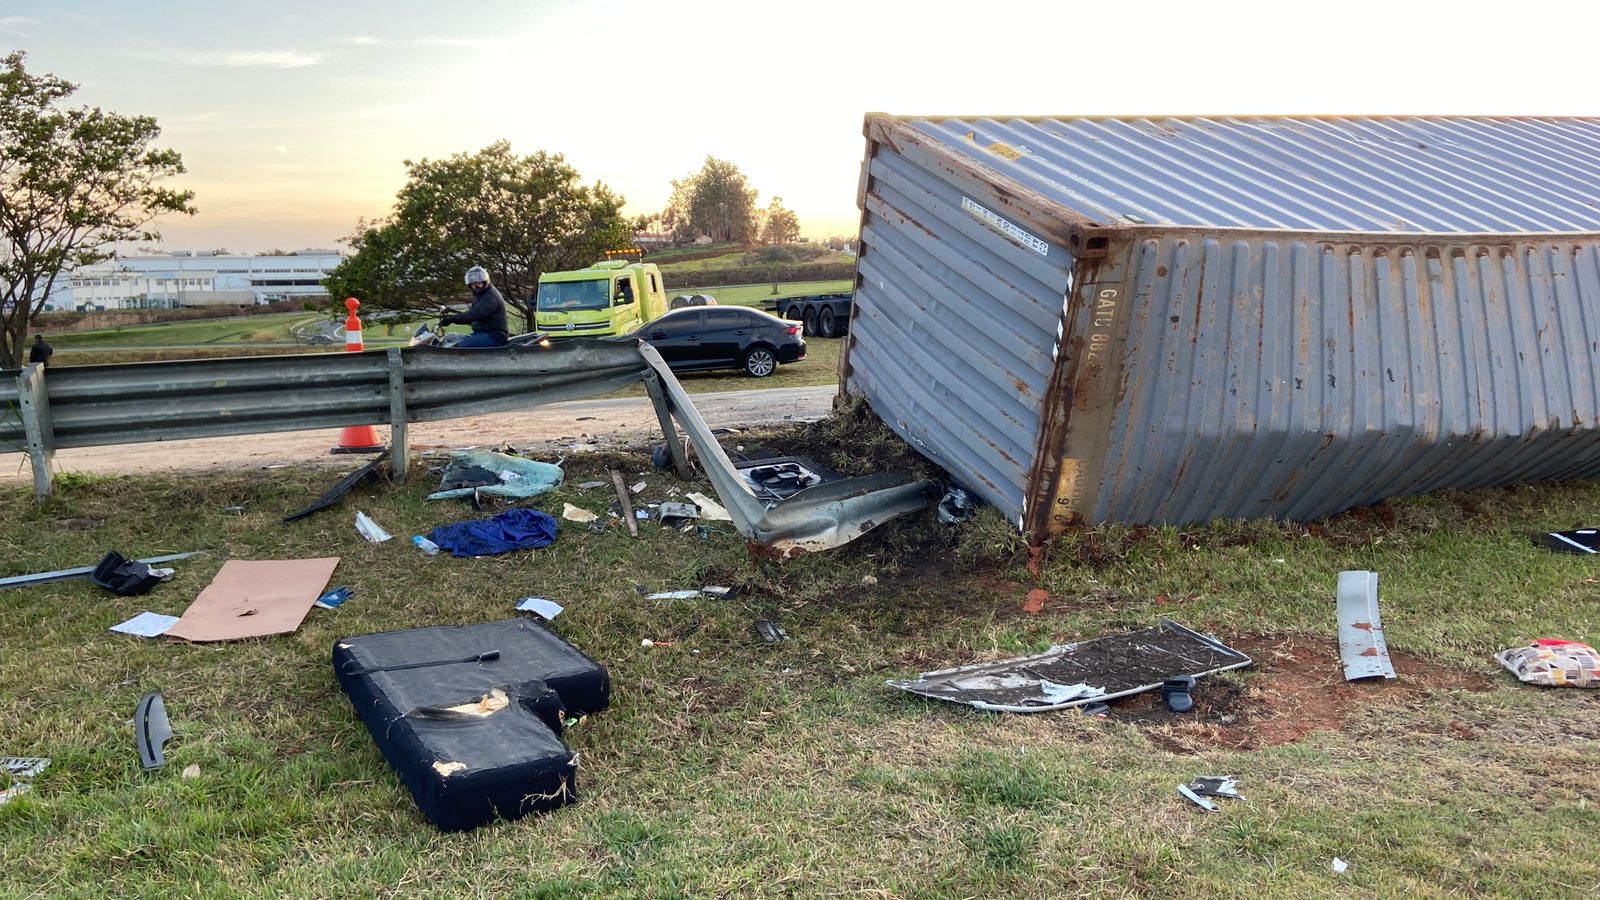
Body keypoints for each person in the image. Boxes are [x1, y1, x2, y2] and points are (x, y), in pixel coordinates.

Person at [441, 265, 510, 348]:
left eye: (478, 283)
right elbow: (473, 318)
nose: (475, 286)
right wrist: (450, 312)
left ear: (485, 282)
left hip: (494, 336)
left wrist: (452, 319)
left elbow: (474, 314)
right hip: (482, 333)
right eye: (473, 284)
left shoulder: (490, 297)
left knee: (458, 347)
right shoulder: (480, 295)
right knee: (449, 337)